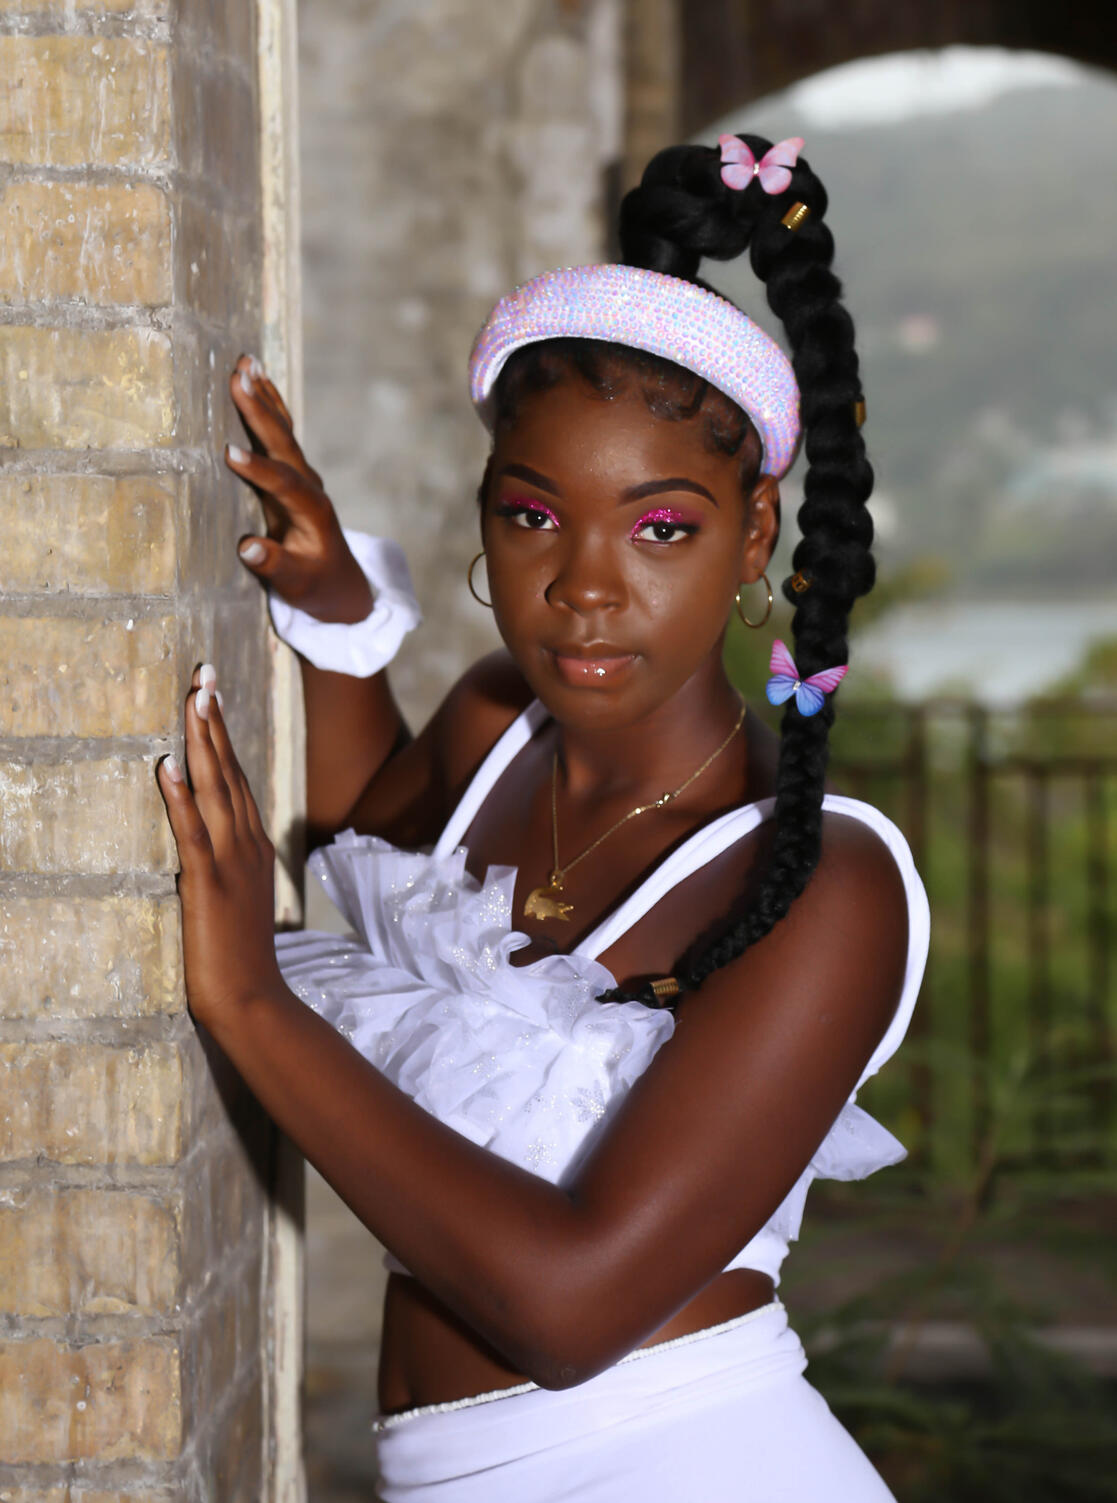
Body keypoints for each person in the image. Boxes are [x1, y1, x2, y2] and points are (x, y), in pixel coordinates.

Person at [157, 133, 929, 1500]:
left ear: (755, 535)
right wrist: (336, 617)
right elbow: (368, 857)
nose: (584, 587)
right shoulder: (494, 724)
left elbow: (571, 1312)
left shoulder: (820, 886)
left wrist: (253, 1005)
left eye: (660, 528)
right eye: (532, 516)